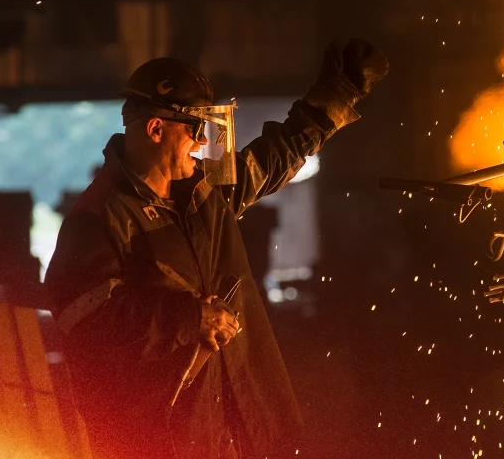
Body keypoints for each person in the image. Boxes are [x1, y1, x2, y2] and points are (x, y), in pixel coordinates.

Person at [44, 39, 388, 459]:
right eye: (195, 129)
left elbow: (275, 157)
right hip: (164, 438)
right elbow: (83, 317)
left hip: (241, 425)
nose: (203, 143)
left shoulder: (205, 192)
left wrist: (336, 97)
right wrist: (186, 319)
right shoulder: (97, 218)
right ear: (156, 129)